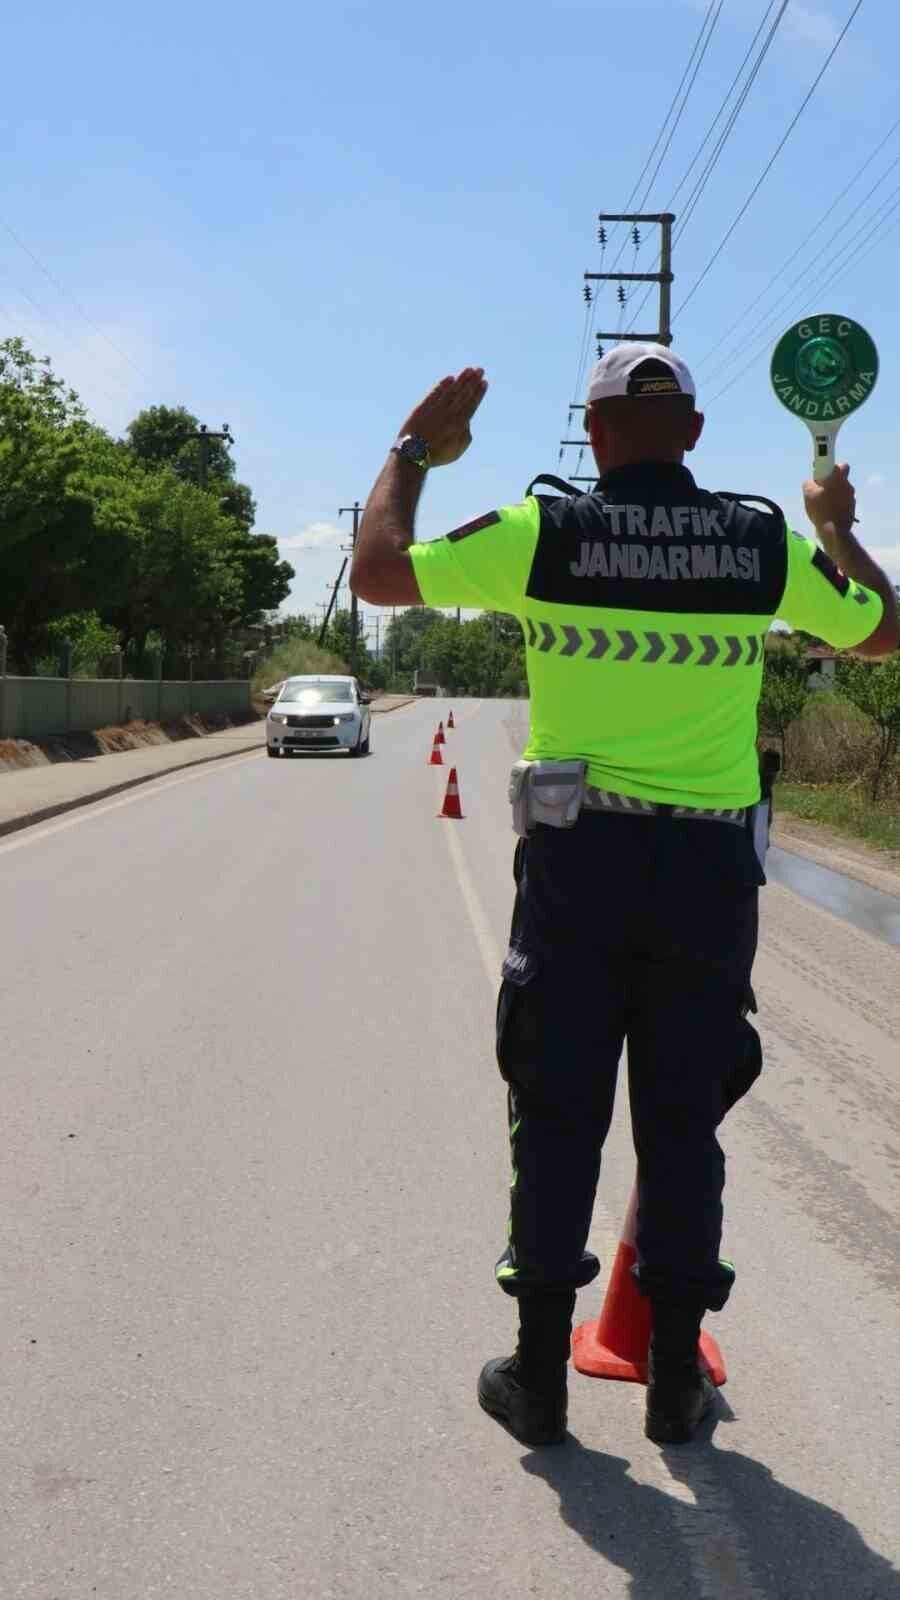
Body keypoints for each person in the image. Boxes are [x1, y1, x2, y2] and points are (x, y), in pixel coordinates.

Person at [350, 344, 899, 1447]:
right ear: (692, 433)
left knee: (557, 1113)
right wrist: (836, 527)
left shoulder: (542, 533)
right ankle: (672, 1384)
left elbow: (378, 570)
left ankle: (539, 1379)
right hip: (708, 875)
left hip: (577, 866)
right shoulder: (761, 544)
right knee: (683, 1123)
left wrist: (414, 450)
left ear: (594, 434)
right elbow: (884, 632)